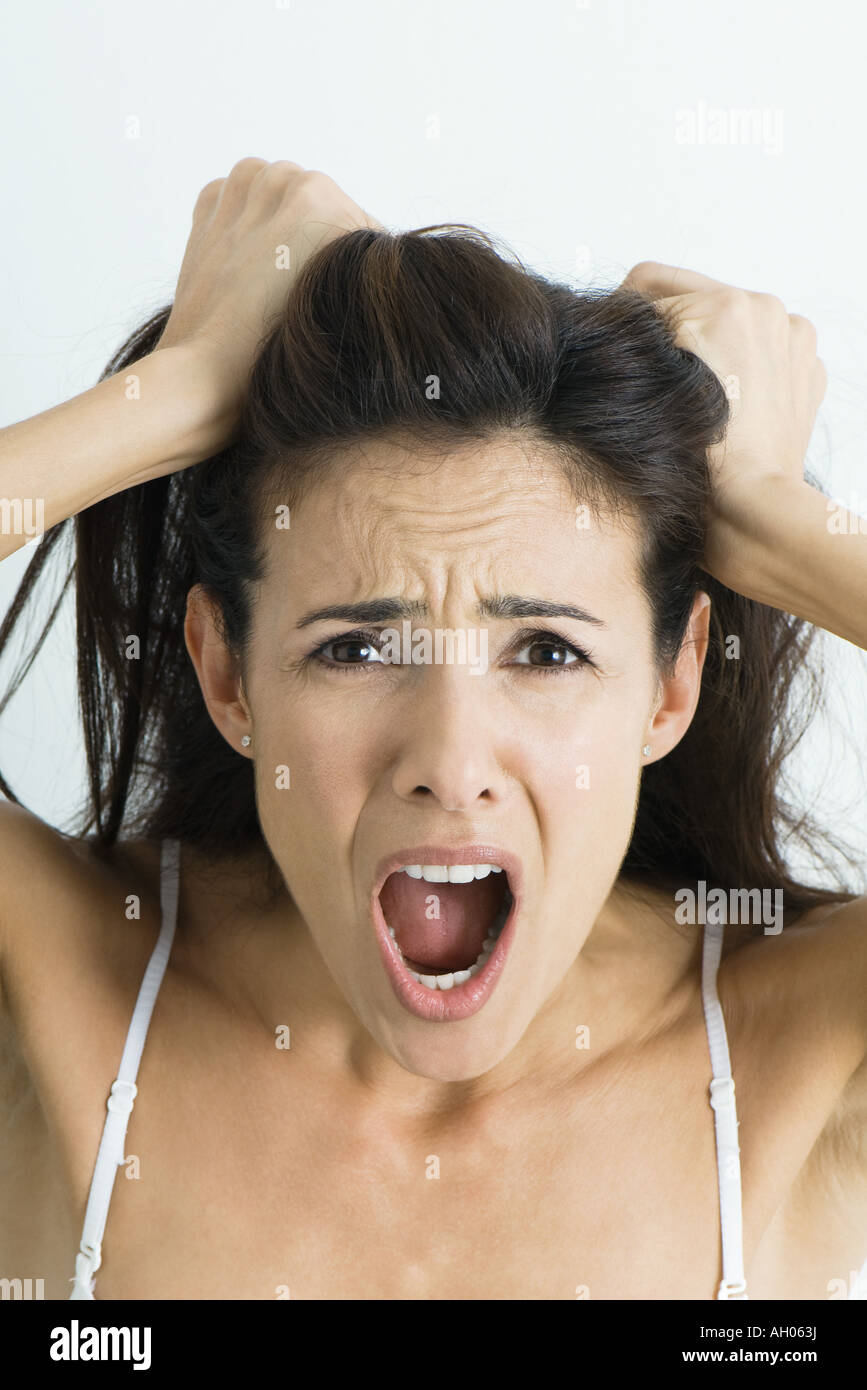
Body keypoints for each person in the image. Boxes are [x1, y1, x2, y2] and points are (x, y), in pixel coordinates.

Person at [1, 159, 865, 1301]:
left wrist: (773, 512)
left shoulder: (807, 1057)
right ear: (228, 676)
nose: (452, 768)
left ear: (670, 683)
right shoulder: (54, 992)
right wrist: (175, 396)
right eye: (356, 649)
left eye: (547, 652)